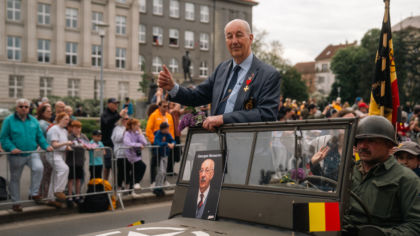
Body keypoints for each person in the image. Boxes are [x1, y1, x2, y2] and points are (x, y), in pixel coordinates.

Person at [158, 19, 281, 131]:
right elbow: (196, 96)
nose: (234, 41)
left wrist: (223, 119)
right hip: (216, 146)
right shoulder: (222, 69)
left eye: (239, 35)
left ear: (251, 38)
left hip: (250, 150)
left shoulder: (268, 75)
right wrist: (172, 87)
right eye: (229, 36)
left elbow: (266, 115)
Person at [343, 115, 420, 235]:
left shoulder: (407, 179)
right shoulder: (348, 171)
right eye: (360, 141)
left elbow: (416, 226)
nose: (363, 146)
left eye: (371, 141)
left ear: (389, 145)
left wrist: (380, 234)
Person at [0, 98, 54, 212]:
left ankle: (34, 193)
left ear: (29, 108)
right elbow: (4, 138)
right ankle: (16, 203)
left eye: (26, 106)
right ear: (17, 108)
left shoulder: (34, 121)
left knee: (39, 168)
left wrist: (46, 146)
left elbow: (39, 136)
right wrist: (12, 148)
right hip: (16, 155)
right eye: (21, 106)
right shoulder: (9, 120)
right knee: (15, 179)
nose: (24, 108)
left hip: (32, 152)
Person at [145, 101, 175, 190]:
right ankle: (153, 182)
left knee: (164, 164)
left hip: (166, 146)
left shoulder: (169, 116)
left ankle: (164, 180)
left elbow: (171, 130)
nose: (166, 108)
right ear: (159, 106)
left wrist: (171, 142)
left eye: (167, 106)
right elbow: (148, 129)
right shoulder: (154, 115)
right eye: (164, 106)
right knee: (154, 164)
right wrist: (153, 141)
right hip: (157, 145)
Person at [46, 112, 71, 204]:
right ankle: (59, 190)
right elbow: (55, 144)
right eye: (65, 119)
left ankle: (50, 198)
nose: (67, 121)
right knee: (64, 169)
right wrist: (66, 144)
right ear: (59, 119)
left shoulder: (64, 131)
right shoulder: (54, 129)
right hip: (53, 154)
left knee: (55, 176)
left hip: (61, 154)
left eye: (68, 119)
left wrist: (67, 147)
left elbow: (63, 144)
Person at [100, 98, 127, 180]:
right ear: (109, 104)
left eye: (117, 103)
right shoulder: (105, 113)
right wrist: (119, 115)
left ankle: (116, 185)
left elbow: (119, 121)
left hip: (116, 143)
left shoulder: (115, 112)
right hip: (107, 143)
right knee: (108, 165)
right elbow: (107, 122)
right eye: (114, 103)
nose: (116, 105)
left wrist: (124, 117)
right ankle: (106, 185)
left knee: (116, 165)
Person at [66, 120, 89, 206]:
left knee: (79, 179)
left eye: (79, 128)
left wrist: (89, 146)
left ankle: (78, 196)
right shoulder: (69, 137)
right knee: (71, 179)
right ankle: (70, 196)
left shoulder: (83, 136)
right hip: (71, 161)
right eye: (75, 128)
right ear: (72, 128)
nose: (78, 130)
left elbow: (88, 144)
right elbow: (68, 146)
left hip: (80, 161)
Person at [123, 119, 148, 196]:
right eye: (137, 125)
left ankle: (133, 188)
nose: (139, 127)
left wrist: (140, 134)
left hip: (136, 156)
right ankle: (133, 186)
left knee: (138, 170)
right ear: (133, 126)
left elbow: (145, 143)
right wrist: (138, 145)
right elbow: (127, 143)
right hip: (129, 157)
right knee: (140, 167)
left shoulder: (137, 133)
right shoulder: (127, 133)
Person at [153, 122, 175, 197]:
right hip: (159, 155)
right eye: (167, 128)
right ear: (163, 129)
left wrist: (172, 143)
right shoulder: (158, 134)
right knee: (161, 171)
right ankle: (157, 187)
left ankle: (160, 187)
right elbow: (157, 143)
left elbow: (172, 140)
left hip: (166, 155)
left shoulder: (168, 134)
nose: (168, 129)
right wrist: (166, 144)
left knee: (163, 172)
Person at [36, 104, 53, 198]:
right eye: (48, 111)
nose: (50, 113)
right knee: (45, 173)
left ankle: (43, 193)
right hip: (44, 149)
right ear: (42, 113)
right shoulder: (42, 124)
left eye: (51, 111)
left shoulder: (47, 122)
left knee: (47, 173)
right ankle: (42, 193)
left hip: (47, 149)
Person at [111, 114, 130, 190]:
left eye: (128, 119)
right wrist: (125, 132)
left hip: (128, 154)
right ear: (121, 120)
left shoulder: (129, 128)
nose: (127, 120)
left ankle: (127, 187)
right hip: (120, 153)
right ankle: (119, 187)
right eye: (125, 119)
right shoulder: (117, 128)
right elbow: (116, 139)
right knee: (121, 172)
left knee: (128, 171)